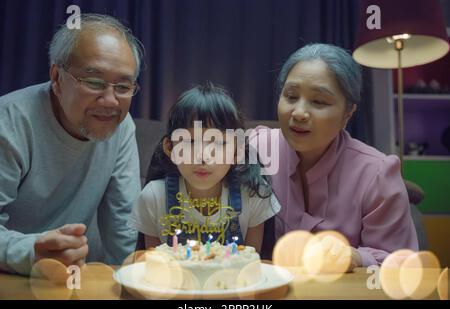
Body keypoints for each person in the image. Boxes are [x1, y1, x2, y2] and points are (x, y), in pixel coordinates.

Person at [0, 14, 144, 275]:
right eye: (94, 82)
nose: (111, 101)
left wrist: (131, 281)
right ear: (57, 78)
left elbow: (123, 225)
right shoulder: (9, 123)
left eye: (123, 86)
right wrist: (32, 251)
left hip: (82, 277)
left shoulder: (122, 127)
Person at [257, 43, 418, 268]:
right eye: (291, 96)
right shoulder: (258, 148)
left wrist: (355, 257)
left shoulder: (376, 173)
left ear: (348, 113)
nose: (299, 113)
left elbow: (400, 263)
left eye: (319, 101)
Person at [128, 82, 280, 252]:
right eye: (191, 142)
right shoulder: (153, 198)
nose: (203, 156)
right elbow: (154, 269)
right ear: (170, 148)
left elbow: (251, 267)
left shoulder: (253, 196)